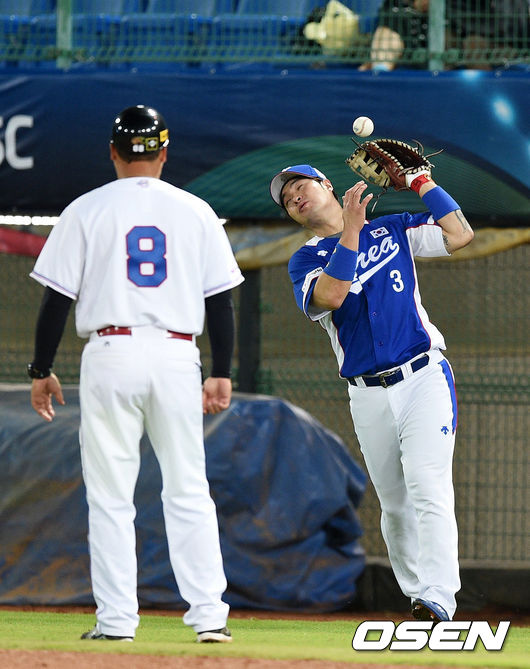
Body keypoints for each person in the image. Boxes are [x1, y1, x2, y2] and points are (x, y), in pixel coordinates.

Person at [28, 104, 244, 643]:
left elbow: (56, 301)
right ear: (164, 153)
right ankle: (209, 618)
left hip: (111, 351)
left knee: (110, 497)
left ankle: (117, 622)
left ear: (113, 152)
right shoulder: (196, 210)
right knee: (188, 488)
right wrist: (221, 370)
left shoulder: (85, 208)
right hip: (176, 354)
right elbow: (220, 301)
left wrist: (41, 368)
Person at [269, 161, 474, 622]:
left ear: (327, 185)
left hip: (423, 377)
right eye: (287, 198)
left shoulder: (392, 229)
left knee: (427, 483)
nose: (294, 196)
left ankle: (438, 597)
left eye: (301, 185)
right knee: (395, 504)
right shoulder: (305, 260)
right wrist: (351, 231)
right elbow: (332, 296)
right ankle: (417, 594)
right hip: (368, 394)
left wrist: (422, 182)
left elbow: (460, 234)